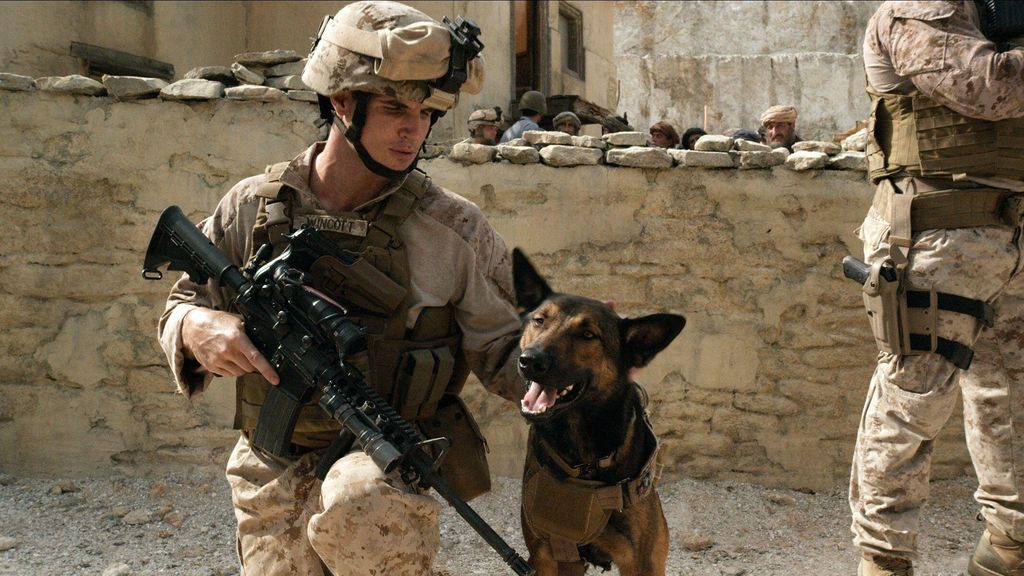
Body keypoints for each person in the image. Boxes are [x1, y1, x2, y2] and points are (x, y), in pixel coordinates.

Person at [155, 2, 524, 575]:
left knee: (364, 503)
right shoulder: (254, 207)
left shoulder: (453, 230)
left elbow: (510, 351)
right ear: (342, 102)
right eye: (396, 107)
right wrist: (196, 327)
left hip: (378, 458)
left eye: (426, 112)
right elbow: (182, 304)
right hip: (270, 464)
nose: (414, 129)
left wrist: (587, 368)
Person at [848, 2, 1024, 576]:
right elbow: (987, 88)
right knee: (912, 402)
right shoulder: (918, 9)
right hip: (935, 233)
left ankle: (1008, 548)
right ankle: (884, 558)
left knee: (1011, 400)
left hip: (1012, 237)